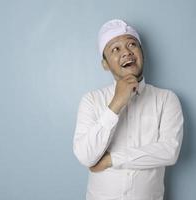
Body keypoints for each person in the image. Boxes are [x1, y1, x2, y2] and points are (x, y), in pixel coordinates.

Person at [73, 19, 184, 200]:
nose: (126, 52)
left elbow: (170, 151)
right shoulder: (91, 100)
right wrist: (116, 103)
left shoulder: (166, 99)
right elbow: (86, 156)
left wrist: (112, 160)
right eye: (115, 49)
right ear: (105, 64)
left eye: (132, 44)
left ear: (142, 53)